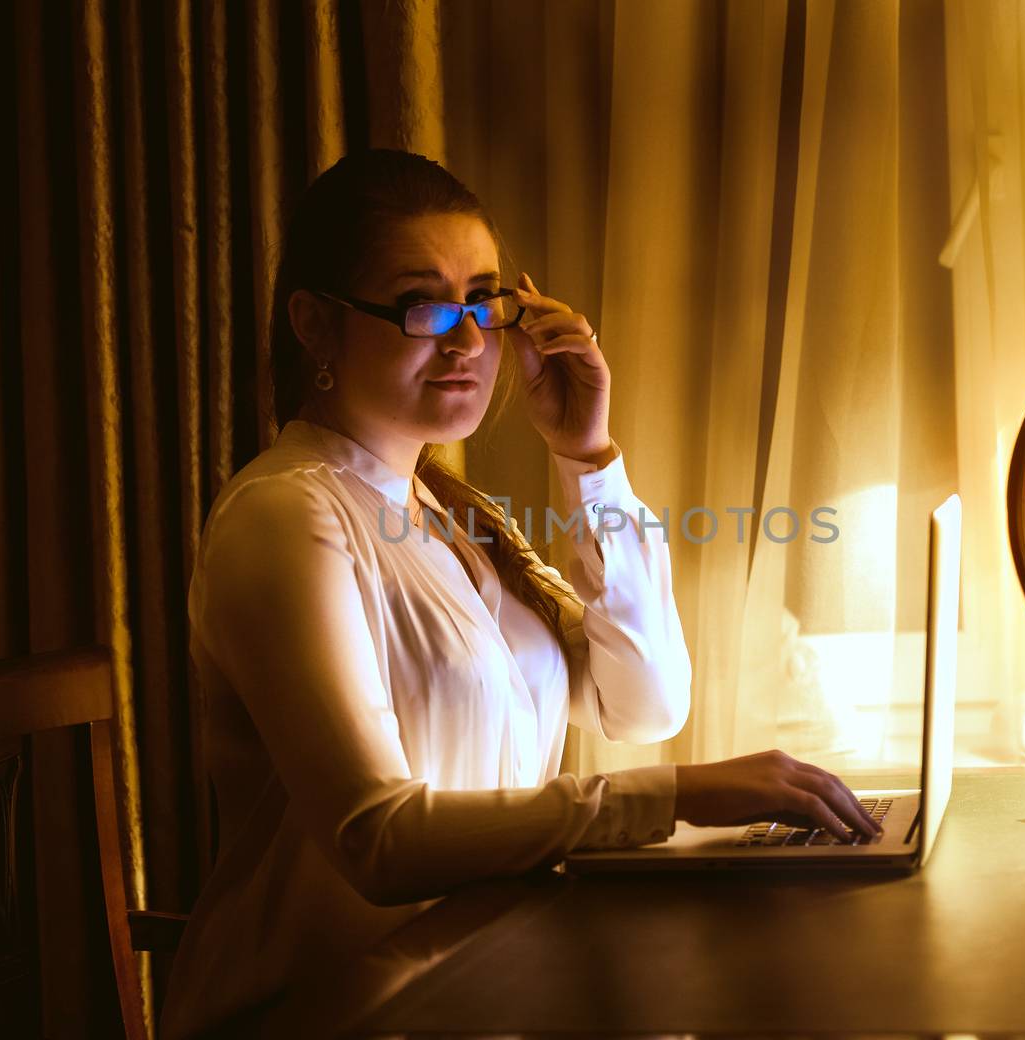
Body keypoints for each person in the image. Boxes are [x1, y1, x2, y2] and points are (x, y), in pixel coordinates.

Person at [159, 148, 883, 1037]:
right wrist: (678, 797)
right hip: (329, 1008)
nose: (467, 340)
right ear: (314, 324)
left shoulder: (448, 515)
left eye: (485, 300)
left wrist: (590, 460)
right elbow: (377, 840)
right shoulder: (283, 517)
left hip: (481, 983)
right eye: (425, 304)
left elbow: (645, 703)